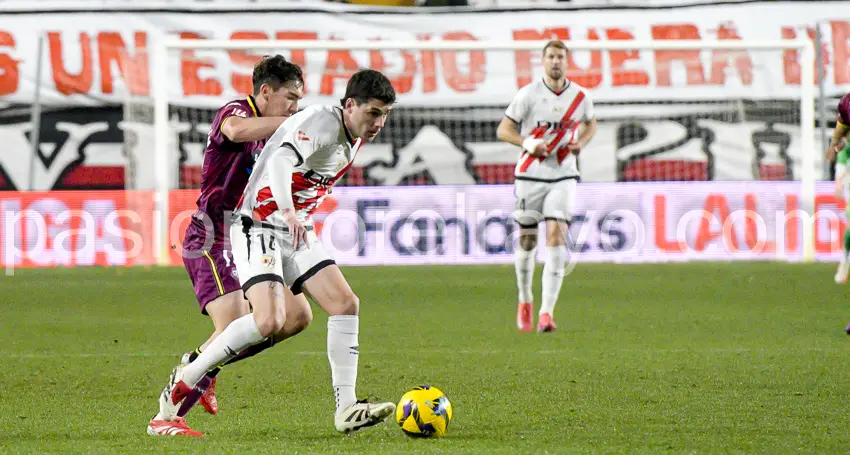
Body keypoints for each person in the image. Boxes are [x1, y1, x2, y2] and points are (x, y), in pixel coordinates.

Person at [156, 68, 398, 434]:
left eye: (385, 114)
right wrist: (286, 209)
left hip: (293, 229)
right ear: (350, 105)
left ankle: (346, 408)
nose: (380, 122)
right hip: (258, 223)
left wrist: (294, 215)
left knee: (343, 304)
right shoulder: (318, 121)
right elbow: (282, 159)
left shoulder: (352, 136)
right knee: (266, 320)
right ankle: (186, 379)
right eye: (374, 113)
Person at [147, 55, 309, 437]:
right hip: (212, 234)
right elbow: (235, 132)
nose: (295, 108)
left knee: (296, 316)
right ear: (265, 92)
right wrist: (294, 123)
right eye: (290, 98)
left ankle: (203, 365)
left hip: (253, 235)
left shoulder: (275, 131)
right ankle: (166, 414)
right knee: (238, 323)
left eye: (299, 102)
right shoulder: (236, 111)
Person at [496, 39, 597, 334]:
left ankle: (546, 313)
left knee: (556, 235)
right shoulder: (528, 94)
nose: (556, 61)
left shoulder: (580, 97)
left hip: (564, 174)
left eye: (560, 57)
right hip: (529, 175)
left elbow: (591, 124)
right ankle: (525, 299)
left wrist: (582, 142)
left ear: (567, 61)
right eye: (551, 56)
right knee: (527, 239)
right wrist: (528, 142)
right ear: (543, 61)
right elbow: (504, 129)